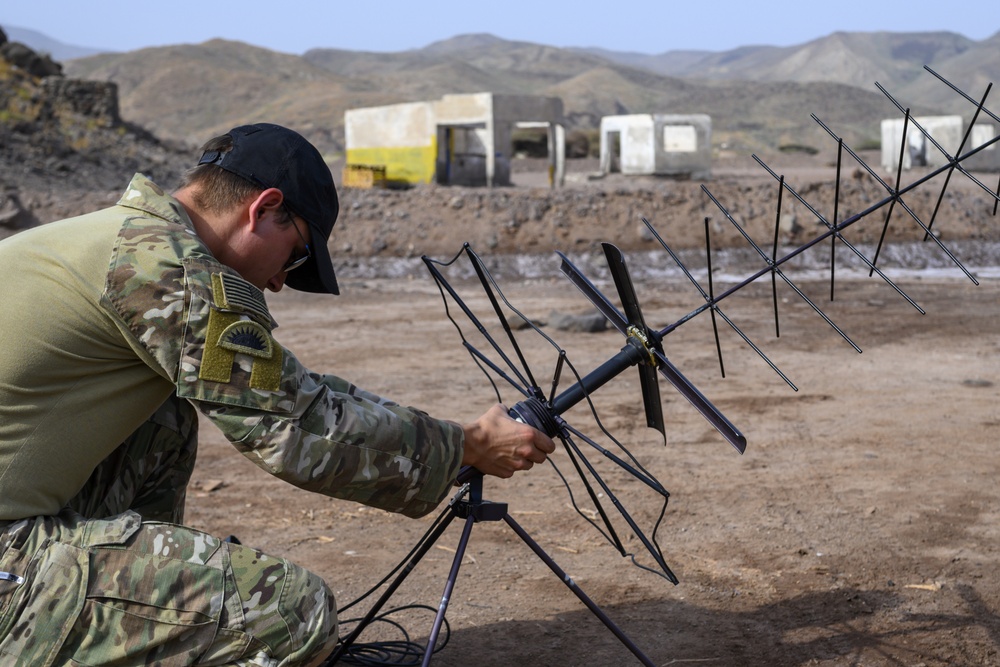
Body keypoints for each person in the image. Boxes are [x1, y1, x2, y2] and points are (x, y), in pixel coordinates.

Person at [0, 123, 555, 665]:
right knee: (291, 613)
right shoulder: (160, 266)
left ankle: (139, 618)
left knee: (163, 418)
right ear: (263, 209)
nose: (280, 282)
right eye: (295, 255)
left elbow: (288, 391)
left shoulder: (105, 235)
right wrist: (464, 446)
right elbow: (296, 428)